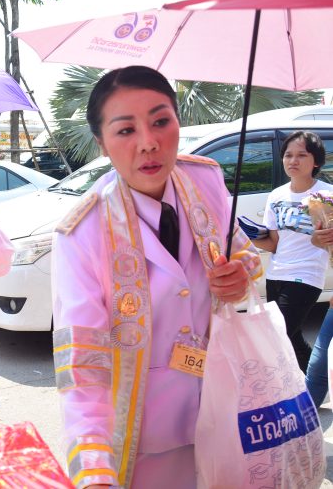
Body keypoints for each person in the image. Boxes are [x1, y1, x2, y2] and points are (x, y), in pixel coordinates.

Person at [51, 65, 262, 488]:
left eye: (161, 121)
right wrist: (94, 471)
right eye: (126, 130)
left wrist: (240, 278)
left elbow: (246, 257)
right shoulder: (83, 232)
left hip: (224, 419)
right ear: (101, 143)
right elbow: (84, 368)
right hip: (143, 444)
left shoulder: (205, 180)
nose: (149, 142)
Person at [250, 130, 333, 372]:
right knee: (292, 338)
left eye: (301, 155)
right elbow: (274, 244)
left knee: (276, 337)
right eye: (288, 155)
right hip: (276, 275)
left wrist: (319, 240)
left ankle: (291, 385)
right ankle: (313, 384)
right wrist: (246, 236)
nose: (293, 161)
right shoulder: (276, 195)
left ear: (316, 161)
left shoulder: (326, 195)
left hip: (306, 276)